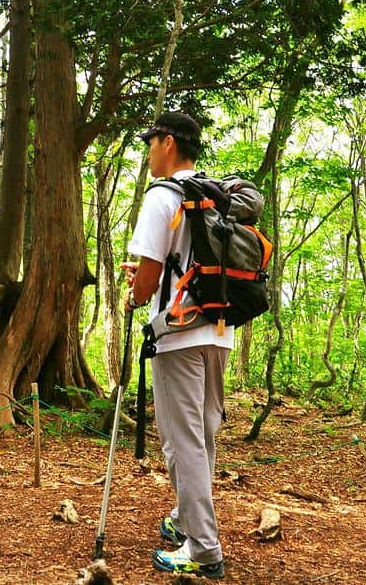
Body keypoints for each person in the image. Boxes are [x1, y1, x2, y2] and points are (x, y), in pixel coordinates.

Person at [122, 111, 234, 579]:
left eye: (151, 142)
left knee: (182, 441)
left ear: (168, 143)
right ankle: (188, 521)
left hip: (178, 336)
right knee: (202, 436)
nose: (148, 151)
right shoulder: (214, 195)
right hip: (220, 331)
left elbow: (148, 280)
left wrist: (136, 291)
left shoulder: (162, 197)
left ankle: (203, 548)